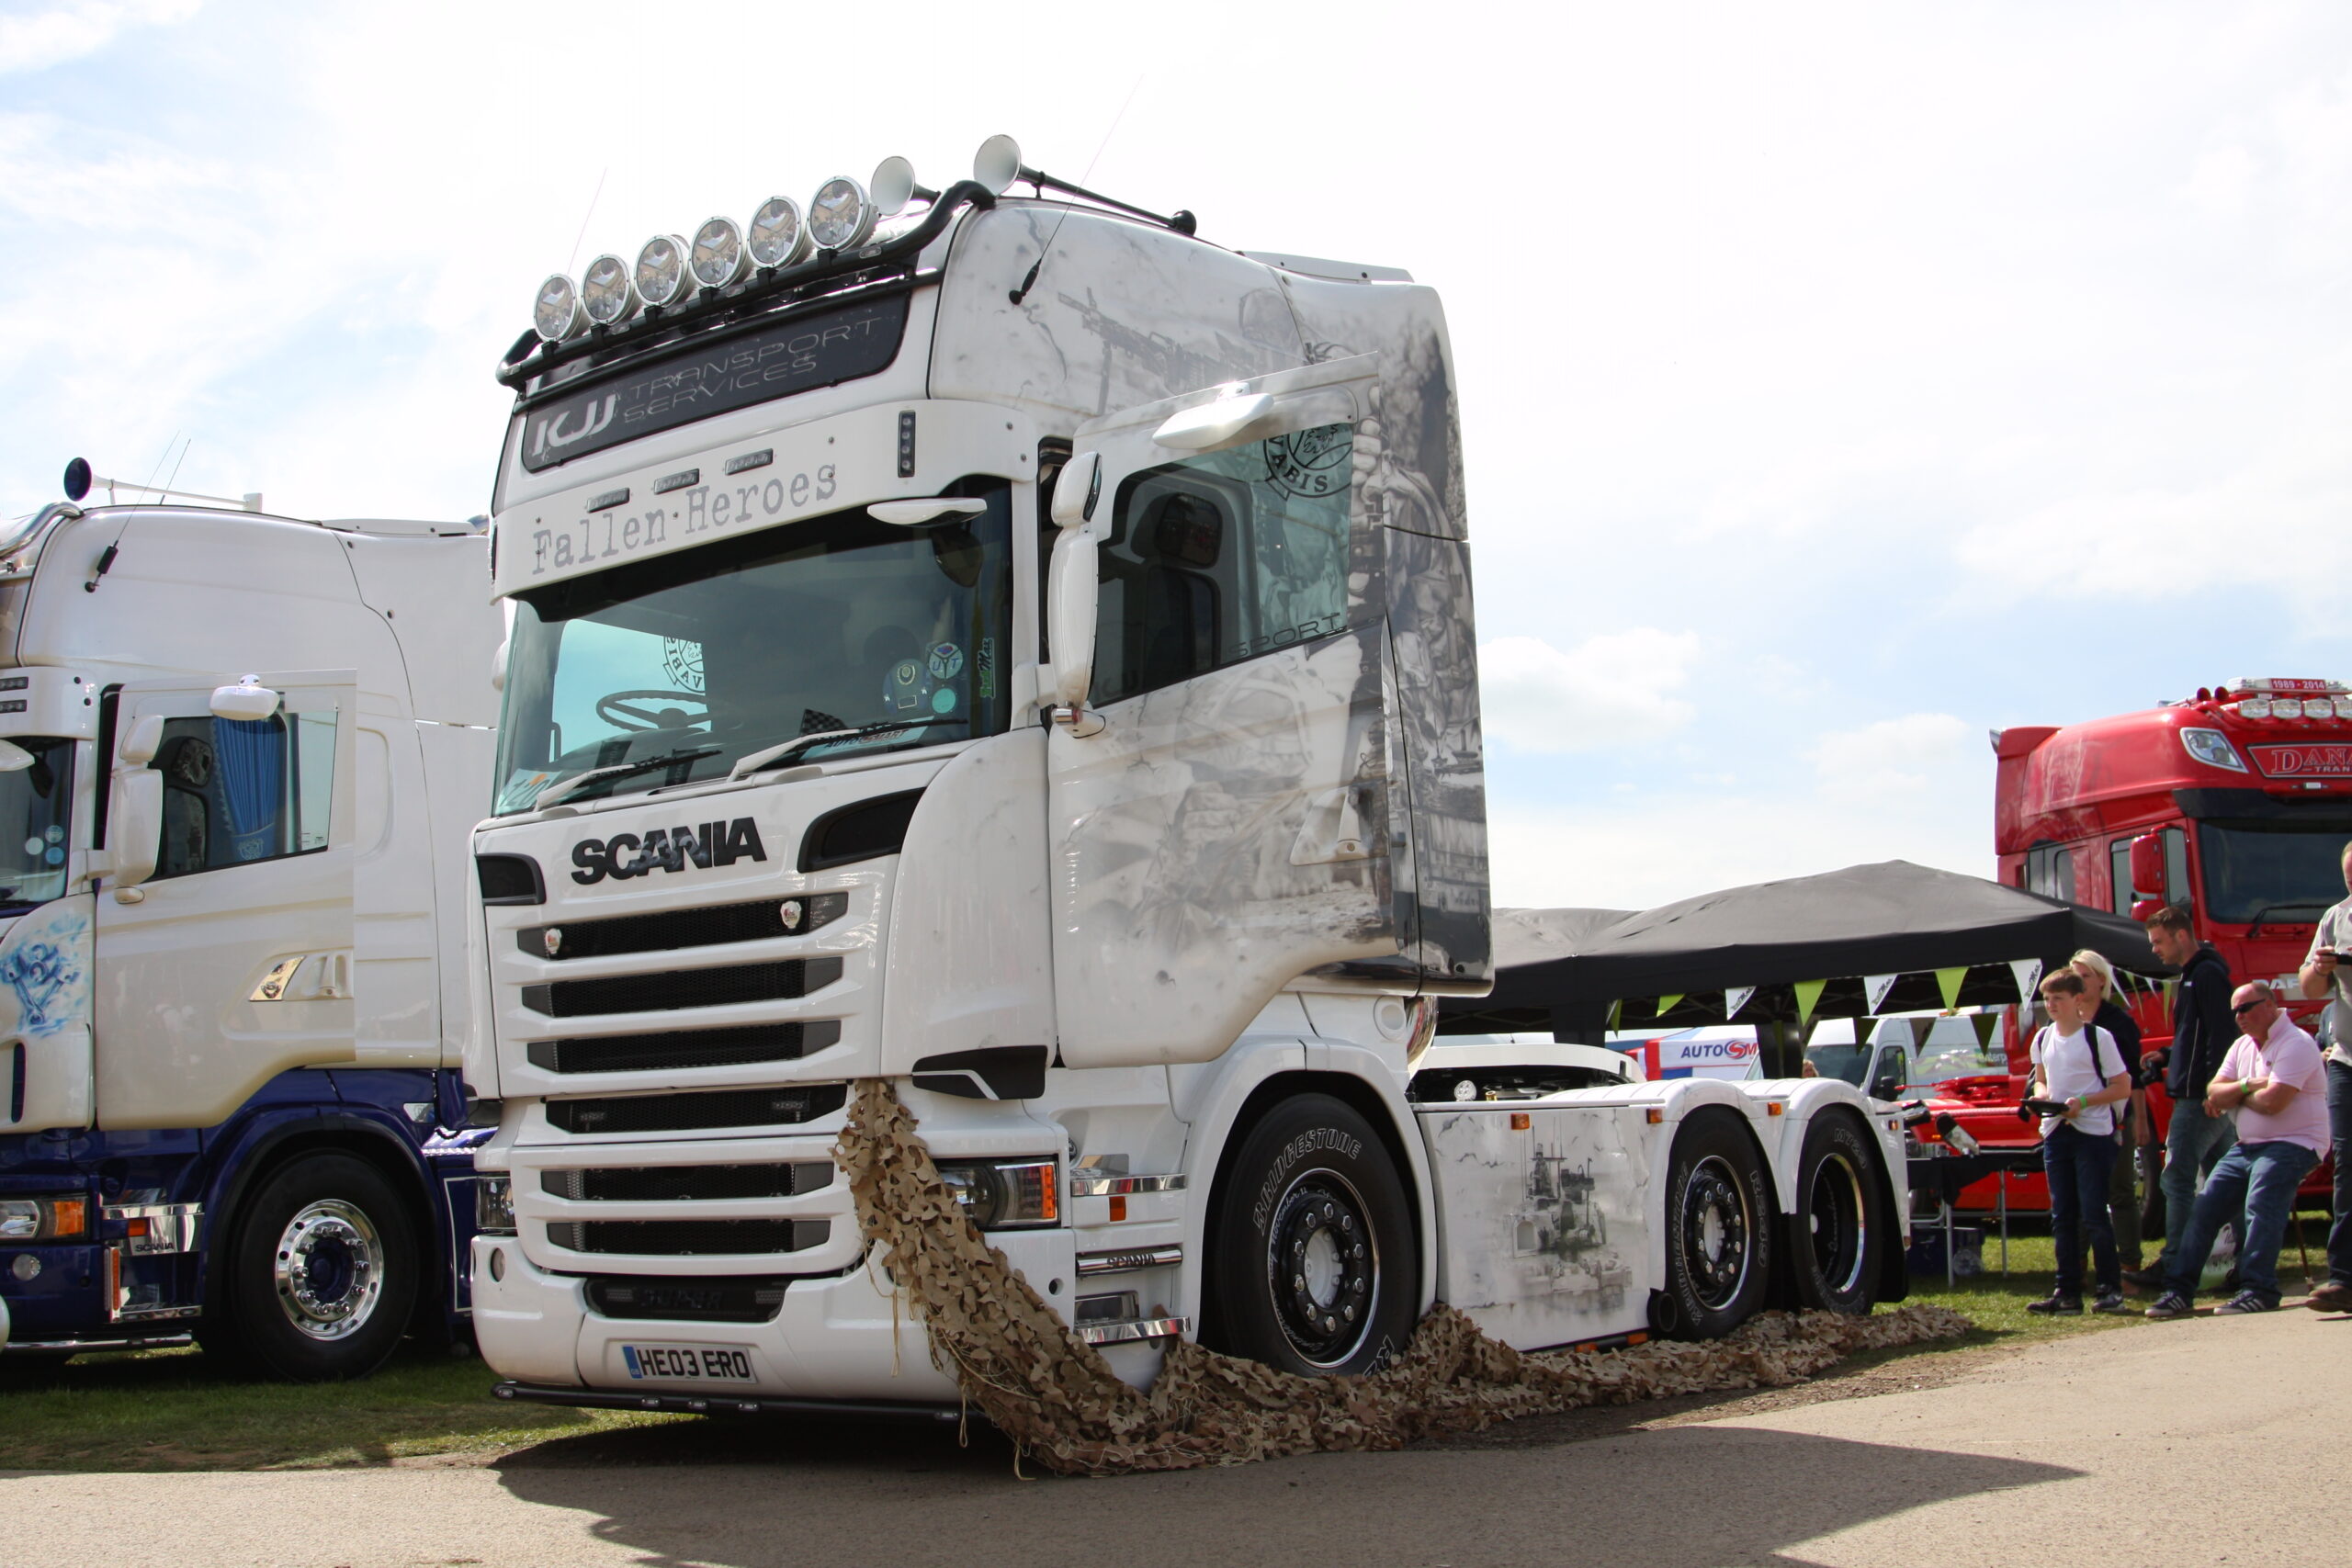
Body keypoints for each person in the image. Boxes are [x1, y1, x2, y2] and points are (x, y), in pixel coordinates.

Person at [2144, 982, 2330, 1318]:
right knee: (2205, 1209)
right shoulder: (2242, 1045)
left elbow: (2274, 1103)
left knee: (2260, 1205)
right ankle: (2178, 1291)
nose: (2239, 1017)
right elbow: (2214, 1090)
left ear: (2271, 1005)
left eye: (2245, 1008)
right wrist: (2247, 1085)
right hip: (2248, 1146)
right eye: (2235, 1011)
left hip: (2295, 1142)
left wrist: (2234, 1096)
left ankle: (2259, 1289)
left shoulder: (2297, 1043)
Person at [2130, 905, 2236, 1290]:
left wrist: (2215, 1089)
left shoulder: (2206, 974)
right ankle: (2245, 1260)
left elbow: (2223, 1036)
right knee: (2229, 1178)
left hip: (2200, 1096)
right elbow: (2198, 1036)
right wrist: (2168, 1055)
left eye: (2158, 941)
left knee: (2176, 1178)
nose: (2154, 949)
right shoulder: (2194, 974)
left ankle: (2176, 1263)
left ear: (2181, 935)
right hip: (2200, 1091)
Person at [2026, 969, 2134, 1314]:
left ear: (2077, 999)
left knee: (2094, 1213)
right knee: (2062, 1214)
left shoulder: (2098, 1037)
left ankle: (2109, 1289)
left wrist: (2083, 1102)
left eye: (2058, 998)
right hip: (2056, 1129)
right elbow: (2041, 1080)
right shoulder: (2043, 1037)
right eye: (2047, 999)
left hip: (2092, 1132)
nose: (2051, 1005)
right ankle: (2067, 1292)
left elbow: (2122, 1086)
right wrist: (2042, 1097)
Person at [2296, 840, 2352, 1314]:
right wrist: (2320, 966)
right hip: (2347, 1060)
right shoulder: (2336, 918)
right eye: (2349, 877)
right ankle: (2344, 1279)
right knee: (2347, 1168)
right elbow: (2309, 988)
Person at [2072, 949, 2146, 1272]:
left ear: (2101, 980)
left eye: (2085, 976)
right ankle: (2076, 1265)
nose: (2079, 983)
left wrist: (2141, 1121)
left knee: (2120, 1190)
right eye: (2074, 977)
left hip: (2115, 1116)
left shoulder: (2118, 1022)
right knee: (2080, 1193)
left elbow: (2135, 1076)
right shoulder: (2066, 1021)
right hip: (2076, 1119)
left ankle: (2130, 1265)